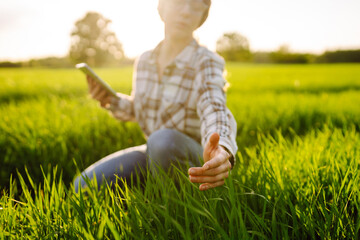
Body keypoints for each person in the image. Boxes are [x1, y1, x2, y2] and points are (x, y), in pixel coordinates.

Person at [74, 0, 238, 192]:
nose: (186, 11)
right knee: (83, 185)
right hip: (154, 151)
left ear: (203, 16)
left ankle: (177, 207)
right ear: (162, 7)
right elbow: (139, 109)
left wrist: (220, 147)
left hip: (197, 159)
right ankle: (153, 189)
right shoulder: (145, 61)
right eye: (179, 2)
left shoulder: (206, 60)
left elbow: (213, 107)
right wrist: (110, 100)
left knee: (162, 140)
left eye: (195, 5)